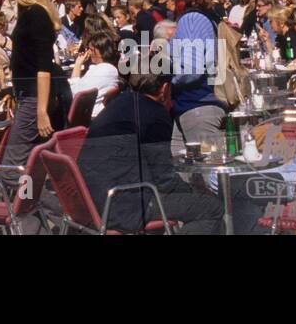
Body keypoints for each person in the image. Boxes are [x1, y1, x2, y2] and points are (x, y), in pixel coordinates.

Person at [77, 72, 224, 234]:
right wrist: (193, 191)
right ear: (165, 88)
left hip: (91, 200)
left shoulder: (121, 102)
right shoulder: (154, 115)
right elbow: (164, 179)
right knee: (212, 207)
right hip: (124, 205)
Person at [0, 0, 69, 176]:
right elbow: (29, 53)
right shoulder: (28, 11)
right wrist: (3, 42)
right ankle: (46, 209)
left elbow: (43, 67)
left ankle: (53, 208)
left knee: (11, 171)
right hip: (28, 95)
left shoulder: (36, 14)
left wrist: (40, 111)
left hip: (32, 98)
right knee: (30, 164)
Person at [165, 0, 227, 153]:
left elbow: (192, 69)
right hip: (188, 106)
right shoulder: (199, 14)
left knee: (209, 173)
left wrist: (166, 77)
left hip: (198, 107)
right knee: (184, 174)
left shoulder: (192, 18)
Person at [68, 25, 121, 118]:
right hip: (95, 113)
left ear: (101, 51)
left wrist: (77, 65)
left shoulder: (103, 70)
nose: (89, 53)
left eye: (92, 50)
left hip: (88, 116)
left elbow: (75, 94)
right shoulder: (108, 69)